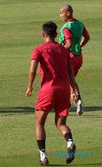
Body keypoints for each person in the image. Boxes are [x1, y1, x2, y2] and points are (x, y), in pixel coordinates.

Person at [26, 21, 81, 165]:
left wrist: (30, 86)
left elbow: (32, 70)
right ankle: (69, 142)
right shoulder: (64, 51)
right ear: (56, 34)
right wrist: (74, 91)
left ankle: (43, 156)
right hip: (63, 89)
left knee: (39, 123)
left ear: (43, 34)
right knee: (60, 123)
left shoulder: (39, 49)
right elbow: (71, 74)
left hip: (47, 90)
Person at [59, 4, 90, 115]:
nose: (60, 15)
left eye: (61, 13)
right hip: (79, 57)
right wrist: (80, 45)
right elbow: (87, 37)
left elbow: (68, 42)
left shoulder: (66, 27)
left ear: (68, 13)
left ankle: (73, 101)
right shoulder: (80, 24)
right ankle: (74, 101)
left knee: (66, 80)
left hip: (69, 57)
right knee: (70, 80)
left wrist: (60, 51)